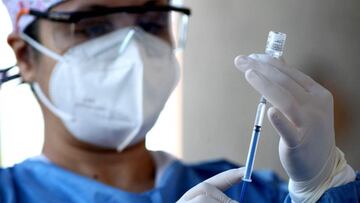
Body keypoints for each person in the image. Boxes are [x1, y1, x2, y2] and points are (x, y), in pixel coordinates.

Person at [0, 0, 359, 202]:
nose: (135, 51)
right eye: (93, 26)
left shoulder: (247, 191)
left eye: (153, 22)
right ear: (26, 57)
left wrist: (325, 187)